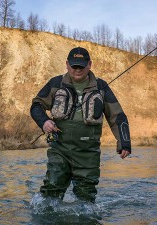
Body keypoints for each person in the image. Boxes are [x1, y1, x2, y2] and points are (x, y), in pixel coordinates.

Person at [30, 47, 131, 203]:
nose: (77, 69)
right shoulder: (56, 83)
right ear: (67, 64)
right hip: (60, 149)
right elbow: (36, 105)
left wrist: (124, 143)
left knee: (86, 200)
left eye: (81, 66)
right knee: (51, 193)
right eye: (74, 65)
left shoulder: (101, 86)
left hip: (88, 154)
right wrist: (44, 121)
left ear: (89, 64)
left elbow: (117, 115)